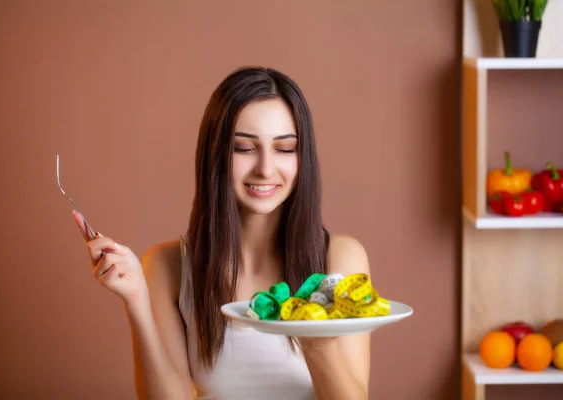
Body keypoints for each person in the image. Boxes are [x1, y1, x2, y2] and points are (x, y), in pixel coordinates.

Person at [73, 66, 371, 400]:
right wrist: (137, 303)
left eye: (285, 148)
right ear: (215, 155)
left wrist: (316, 343)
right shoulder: (167, 265)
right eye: (244, 148)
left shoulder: (341, 260)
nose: (266, 168)